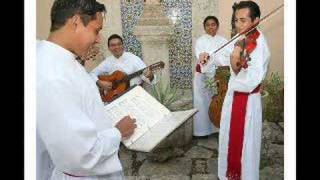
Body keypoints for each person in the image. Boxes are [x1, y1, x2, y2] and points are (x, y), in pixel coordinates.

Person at [37, 0, 137, 179]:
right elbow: (81, 154)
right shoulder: (53, 75)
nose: (98, 39)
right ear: (75, 23)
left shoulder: (58, 59)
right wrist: (118, 132)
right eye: (96, 30)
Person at [216, 1, 271, 179]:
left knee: (246, 147)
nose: (238, 25)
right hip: (234, 100)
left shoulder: (258, 44)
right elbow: (222, 56)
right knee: (228, 139)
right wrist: (207, 56)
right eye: (235, 20)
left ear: (256, 20)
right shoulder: (242, 38)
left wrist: (235, 55)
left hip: (247, 103)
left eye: (242, 20)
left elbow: (250, 81)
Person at [193, 16, 228, 137]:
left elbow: (227, 59)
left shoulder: (223, 41)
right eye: (207, 25)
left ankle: (217, 128)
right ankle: (202, 131)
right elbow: (200, 57)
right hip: (203, 77)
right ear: (204, 27)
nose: (210, 27)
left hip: (219, 77)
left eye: (213, 24)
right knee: (203, 102)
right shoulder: (200, 41)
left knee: (218, 102)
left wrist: (214, 58)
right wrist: (205, 57)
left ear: (217, 26)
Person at [90, 34, 155, 95]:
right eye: (113, 45)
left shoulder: (133, 59)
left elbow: (149, 79)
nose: (116, 47)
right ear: (109, 48)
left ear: (123, 45)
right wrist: (99, 82)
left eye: (119, 44)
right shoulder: (108, 61)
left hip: (134, 95)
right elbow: (91, 74)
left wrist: (150, 76)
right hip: (114, 96)